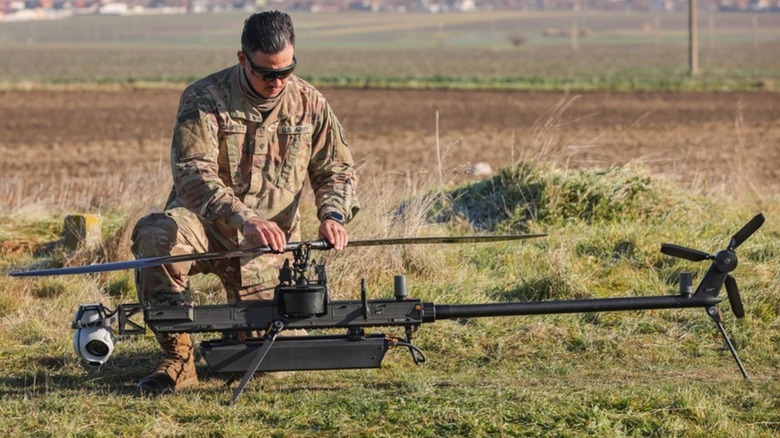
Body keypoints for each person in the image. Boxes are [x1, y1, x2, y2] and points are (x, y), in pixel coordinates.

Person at [130, 10, 359, 393]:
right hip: (205, 227)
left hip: (268, 247)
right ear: (242, 59)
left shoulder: (311, 103)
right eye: (266, 73)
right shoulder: (203, 98)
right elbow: (192, 173)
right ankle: (178, 360)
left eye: (286, 71)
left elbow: (336, 169)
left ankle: (240, 341)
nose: (277, 82)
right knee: (156, 236)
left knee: (271, 362)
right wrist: (244, 217)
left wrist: (333, 214)